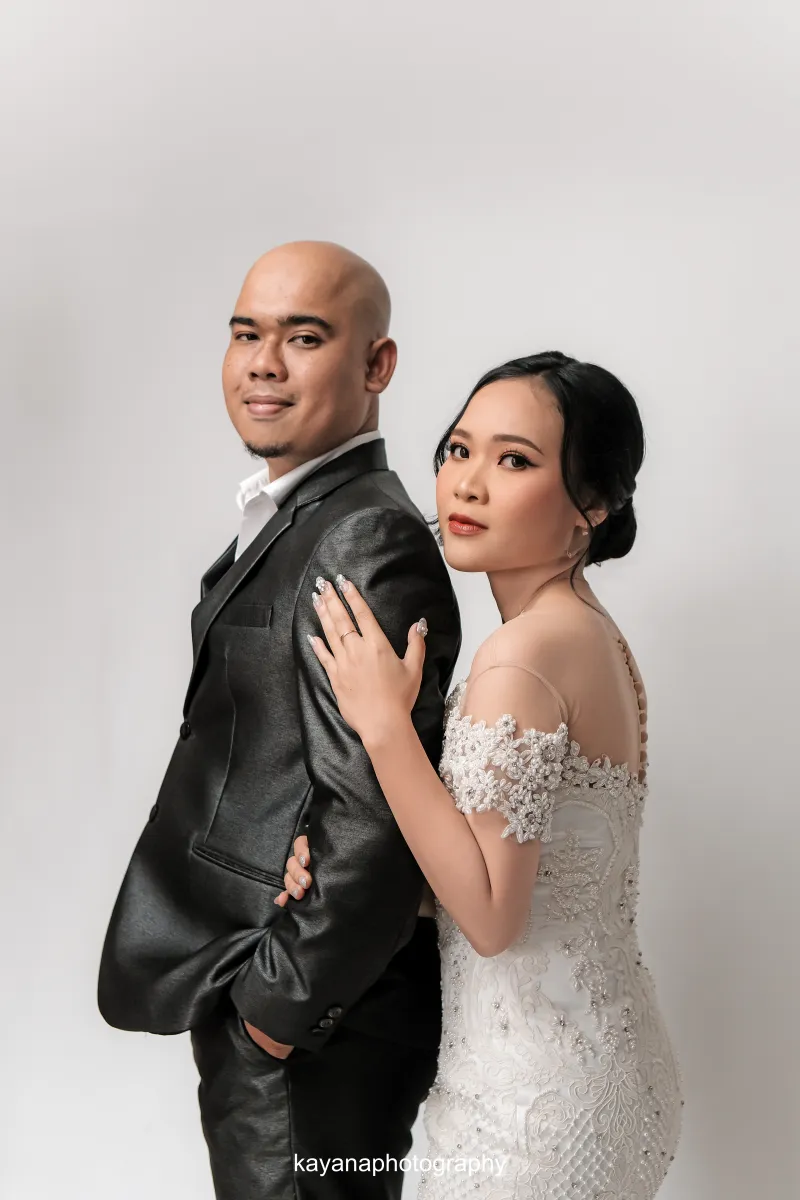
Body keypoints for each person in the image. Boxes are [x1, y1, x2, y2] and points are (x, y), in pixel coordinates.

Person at [97, 241, 462, 1200]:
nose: (264, 363)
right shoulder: (307, 512)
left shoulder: (365, 535)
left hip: (314, 1031)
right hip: (273, 996)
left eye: (303, 338)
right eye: (245, 334)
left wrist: (275, 1014)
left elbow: (376, 805)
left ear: (377, 365)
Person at [279, 351, 684, 1198]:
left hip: (533, 1110)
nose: (467, 483)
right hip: (603, 1071)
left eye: (515, 460)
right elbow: (534, 877)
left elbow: (494, 917)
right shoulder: (589, 634)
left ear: (593, 505)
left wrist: (383, 726)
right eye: (459, 449)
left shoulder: (523, 654)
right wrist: (338, 859)